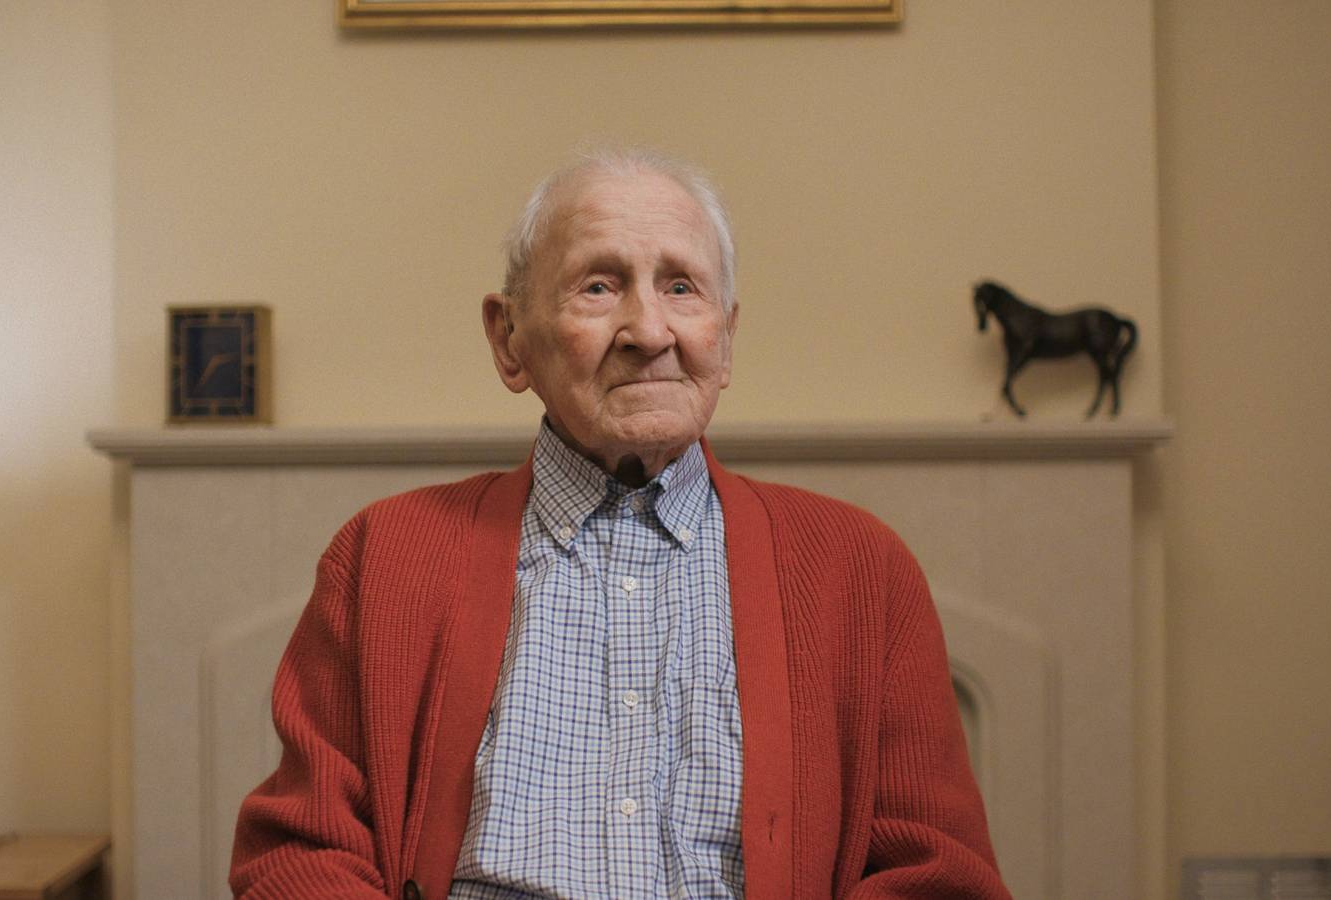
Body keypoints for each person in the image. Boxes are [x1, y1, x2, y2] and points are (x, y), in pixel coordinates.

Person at [230, 149, 1010, 900]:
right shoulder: (384, 557)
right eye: (599, 287)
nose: (649, 331)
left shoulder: (861, 570)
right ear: (509, 339)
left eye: (682, 288)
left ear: (726, 338)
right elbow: (301, 852)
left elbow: (937, 875)